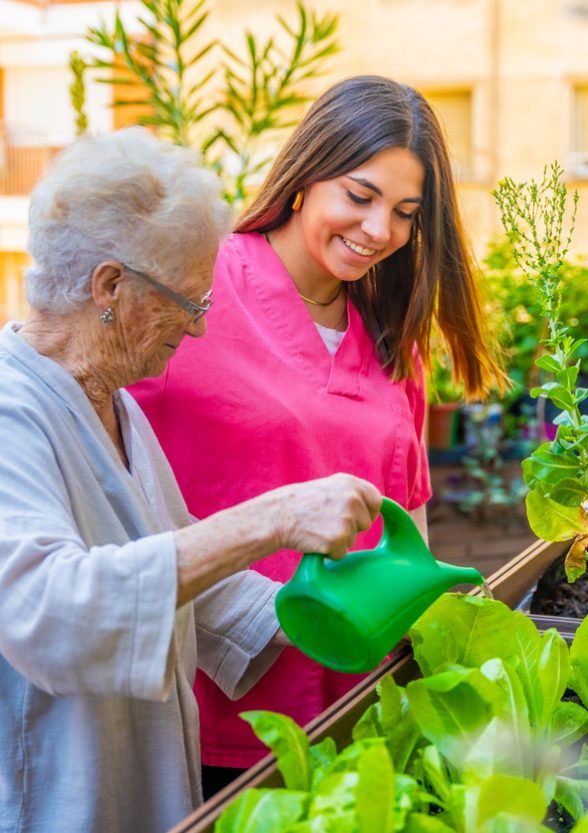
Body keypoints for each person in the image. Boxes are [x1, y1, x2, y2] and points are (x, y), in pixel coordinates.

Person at [0, 127, 383, 833]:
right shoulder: (11, 411)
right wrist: (271, 517)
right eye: (188, 301)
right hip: (51, 801)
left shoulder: (109, 400)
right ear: (110, 286)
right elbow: (47, 610)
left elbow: (194, 587)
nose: (200, 329)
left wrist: (352, 608)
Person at [131, 75, 505, 796]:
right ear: (306, 175)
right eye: (359, 197)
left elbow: (410, 529)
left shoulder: (395, 336)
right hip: (220, 720)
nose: (379, 231)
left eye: (404, 212)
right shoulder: (199, 284)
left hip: (363, 713)